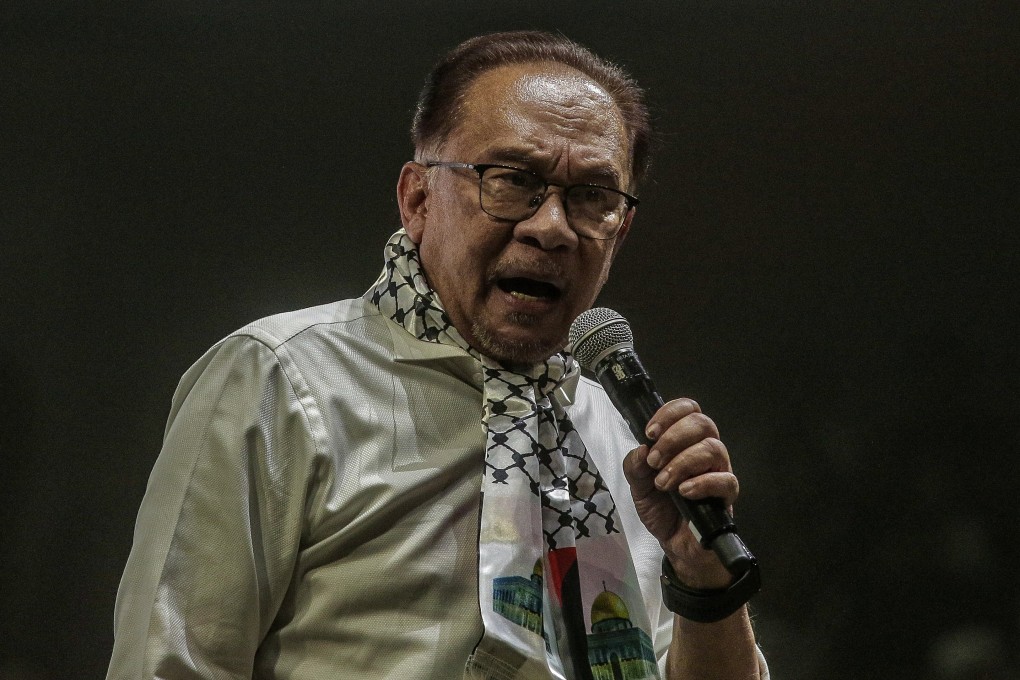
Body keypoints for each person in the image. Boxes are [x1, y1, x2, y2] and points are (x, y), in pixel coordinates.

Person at [107, 31, 769, 680]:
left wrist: (702, 579)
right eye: (512, 180)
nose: (551, 227)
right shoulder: (280, 379)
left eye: (592, 197)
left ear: (619, 231)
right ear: (419, 199)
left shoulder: (630, 448)